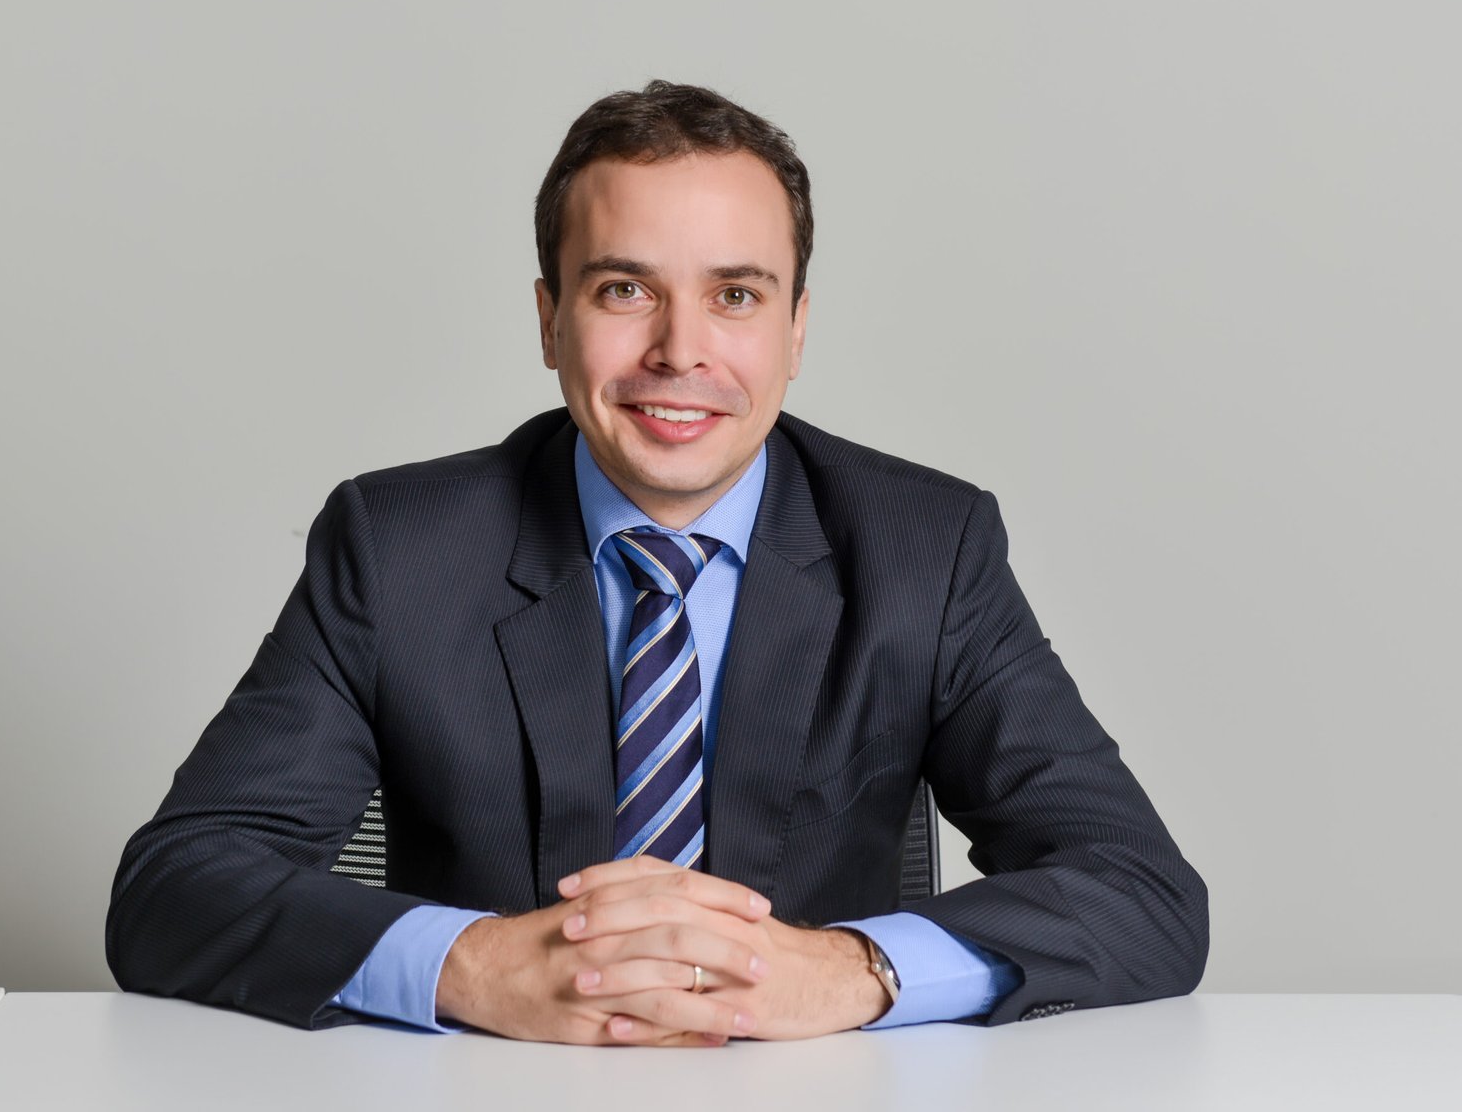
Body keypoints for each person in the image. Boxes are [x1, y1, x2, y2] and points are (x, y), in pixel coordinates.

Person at [106, 81, 1208, 1045]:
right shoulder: (399, 549)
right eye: (624, 289)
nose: (680, 350)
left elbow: (1142, 891)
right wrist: (471, 966)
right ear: (550, 320)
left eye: (736, 295)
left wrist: (848, 970)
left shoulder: (926, 547)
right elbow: (174, 887)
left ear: (795, 328)